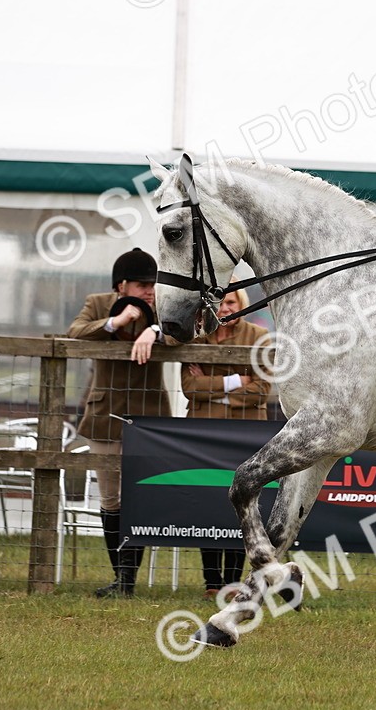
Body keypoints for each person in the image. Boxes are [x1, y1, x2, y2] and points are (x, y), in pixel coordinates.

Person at [68, 247, 173, 597]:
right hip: (104, 416)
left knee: (137, 497)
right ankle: (121, 578)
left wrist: (154, 331)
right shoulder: (97, 303)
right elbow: (76, 332)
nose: (150, 290)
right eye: (142, 284)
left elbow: (187, 333)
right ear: (121, 285)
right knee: (111, 498)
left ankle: (127, 578)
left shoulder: (165, 305)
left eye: (152, 284)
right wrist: (115, 323)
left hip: (149, 418)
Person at [180, 288, 270, 598]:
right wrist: (235, 382)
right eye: (219, 303)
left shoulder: (260, 337)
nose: (225, 308)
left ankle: (233, 581)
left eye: (231, 301)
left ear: (242, 305)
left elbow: (260, 390)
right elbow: (190, 388)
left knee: (241, 502)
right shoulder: (197, 338)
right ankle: (211, 581)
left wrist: (213, 389)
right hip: (202, 435)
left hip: (242, 435)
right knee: (206, 502)